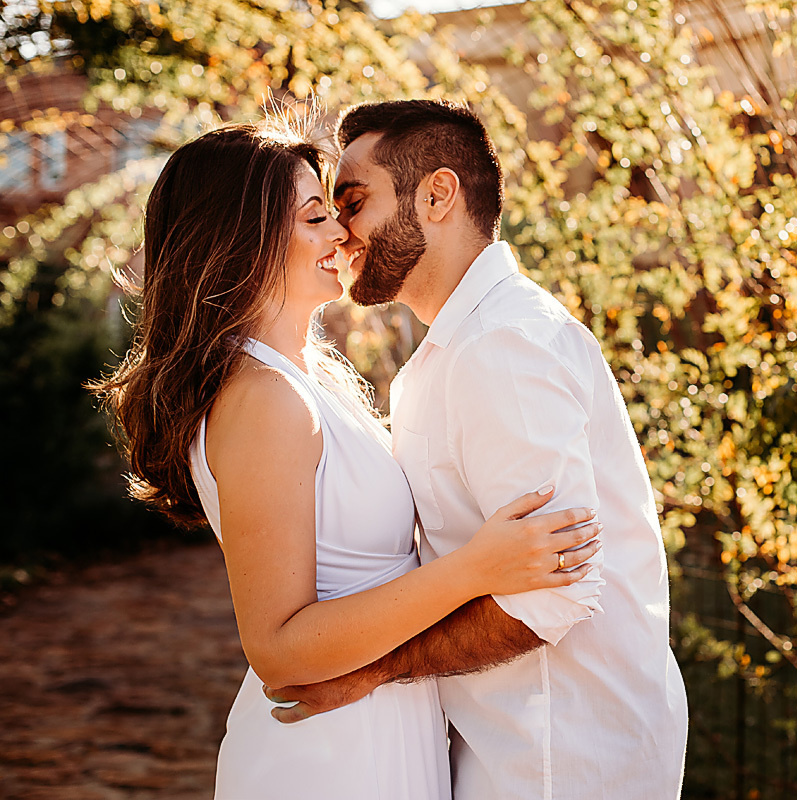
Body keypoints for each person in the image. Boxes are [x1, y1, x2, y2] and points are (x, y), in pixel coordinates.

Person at [91, 120, 601, 799]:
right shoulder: (265, 399)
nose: (341, 234)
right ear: (242, 237)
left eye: (336, 212)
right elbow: (276, 649)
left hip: (378, 730)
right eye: (314, 217)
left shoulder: (309, 375)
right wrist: (475, 567)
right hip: (327, 757)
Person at [266, 100, 689, 799]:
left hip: (562, 759)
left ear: (437, 195)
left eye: (355, 199)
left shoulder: (504, 345)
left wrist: (375, 668)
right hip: (509, 751)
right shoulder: (457, 350)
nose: (340, 229)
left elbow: (556, 593)